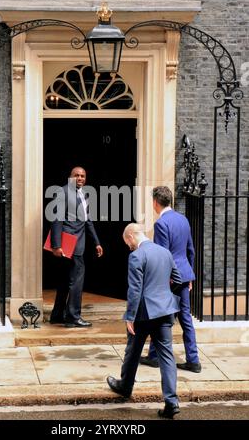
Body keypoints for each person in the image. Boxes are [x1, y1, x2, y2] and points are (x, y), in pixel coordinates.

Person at [106, 223, 182, 419]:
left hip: (144, 313)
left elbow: (135, 289)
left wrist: (129, 316)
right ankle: (171, 401)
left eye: (127, 242)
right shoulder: (165, 252)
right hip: (165, 311)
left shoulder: (136, 256)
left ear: (131, 236)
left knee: (133, 351)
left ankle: (125, 386)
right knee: (166, 356)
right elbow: (178, 279)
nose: (128, 246)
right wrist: (164, 295)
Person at [140, 186, 201, 373]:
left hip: (170, 279)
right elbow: (190, 250)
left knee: (159, 315)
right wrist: (189, 277)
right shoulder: (182, 219)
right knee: (185, 318)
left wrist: (162, 280)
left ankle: (155, 356)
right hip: (184, 275)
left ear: (156, 202)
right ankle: (193, 360)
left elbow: (162, 255)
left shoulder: (161, 224)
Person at [49, 167, 103, 328]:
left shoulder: (83, 193)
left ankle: (57, 315)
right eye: (76, 175)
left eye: (82, 176)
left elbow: (87, 220)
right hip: (68, 243)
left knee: (66, 280)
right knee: (76, 281)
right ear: (70, 177)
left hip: (78, 242)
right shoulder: (63, 192)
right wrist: (56, 245)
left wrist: (97, 242)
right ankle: (73, 316)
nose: (80, 178)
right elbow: (56, 218)